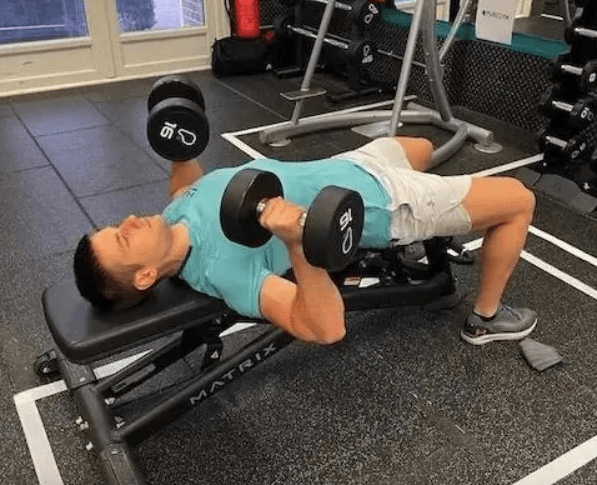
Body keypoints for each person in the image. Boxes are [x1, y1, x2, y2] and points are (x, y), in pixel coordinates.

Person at [73, 137, 537, 346]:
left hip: (347, 165)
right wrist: (298, 244)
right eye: (122, 237)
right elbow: (325, 328)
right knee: (519, 199)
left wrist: (179, 149)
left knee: (418, 146)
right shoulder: (226, 274)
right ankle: (486, 320)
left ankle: (432, 240)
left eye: (117, 224)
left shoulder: (174, 214)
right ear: (146, 276)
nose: (129, 220)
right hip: (384, 203)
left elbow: (183, 187)